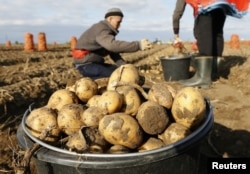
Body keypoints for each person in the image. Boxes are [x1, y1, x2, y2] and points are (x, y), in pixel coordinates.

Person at [172, 0, 249, 88]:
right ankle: (213, 73)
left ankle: (203, 77)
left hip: (206, 4)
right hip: (221, 5)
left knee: (204, 32)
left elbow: (178, 12)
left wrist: (176, 34)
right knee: (217, 33)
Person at [72, 7, 152, 80]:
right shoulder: (102, 29)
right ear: (110, 19)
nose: (119, 25)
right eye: (118, 22)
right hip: (86, 65)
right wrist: (138, 45)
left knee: (118, 71)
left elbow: (113, 52)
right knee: (117, 77)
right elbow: (112, 46)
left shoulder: (105, 30)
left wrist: (123, 66)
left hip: (92, 64)